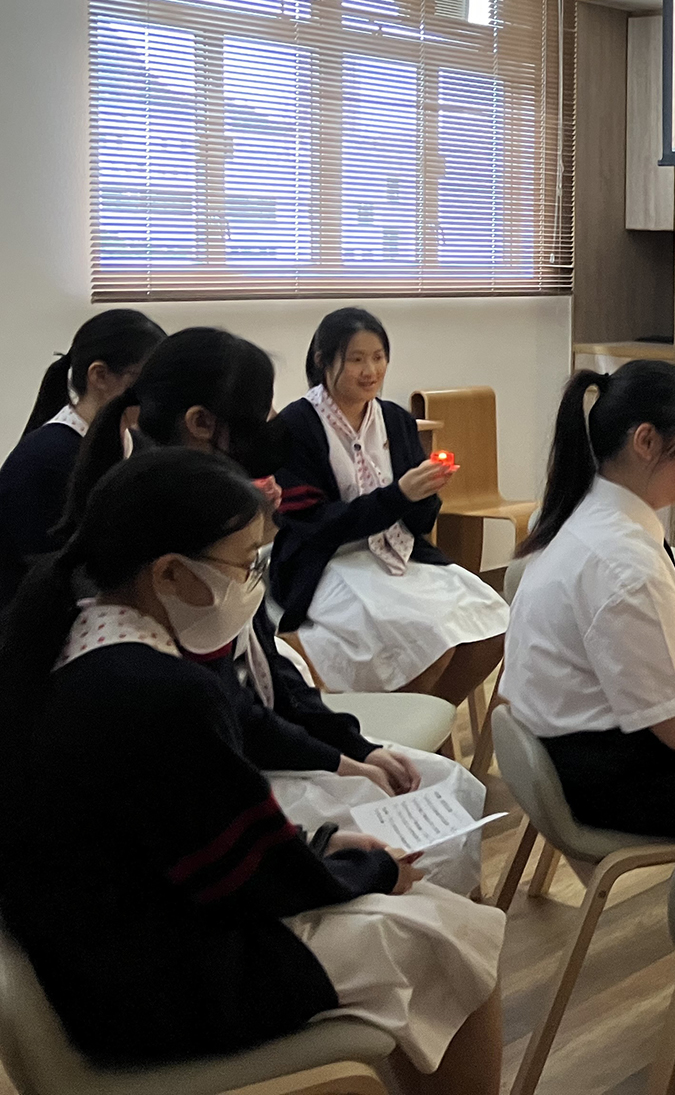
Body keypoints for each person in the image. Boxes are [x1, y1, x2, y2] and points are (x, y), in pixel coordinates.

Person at [0, 448, 503, 1090]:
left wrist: (324, 847)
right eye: (245, 565)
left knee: (416, 918)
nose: (253, 582)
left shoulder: (65, 640)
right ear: (172, 575)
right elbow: (256, 877)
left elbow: (191, 838)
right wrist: (370, 868)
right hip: (150, 988)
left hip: (96, 953)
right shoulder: (161, 692)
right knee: (460, 939)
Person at [64, 326, 488, 892]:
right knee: (428, 876)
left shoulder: (214, 521)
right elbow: (230, 714)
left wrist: (354, 749)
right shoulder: (161, 560)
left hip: (252, 759)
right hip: (240, 792)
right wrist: (342, 806)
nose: (369, 370)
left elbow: (262, 663)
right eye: (261, 414)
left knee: (446, 786)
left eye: (379, 358)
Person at [502, 360, 675, 840]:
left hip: (589, 746)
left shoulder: (590, 512)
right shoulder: (622, 564)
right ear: (646, 441)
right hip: (615, 774)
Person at [271, 308, 508, 705]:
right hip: (327, 559)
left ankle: (429, 727)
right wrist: (398, 495)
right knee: (429, 637)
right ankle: (391, 736)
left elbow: (416, 521)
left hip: (399, 553)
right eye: (357, 359)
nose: (371, 370)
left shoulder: (395, 420)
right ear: (322, 360)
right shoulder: (296, 425)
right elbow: (311, 523)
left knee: (495, 624)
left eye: (379, 357)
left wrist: (424, 494)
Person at [0, 309, 164, 605]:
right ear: (99, 375)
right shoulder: (44, 461)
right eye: (145, 380)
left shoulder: (139, 445)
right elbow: (45, 579)